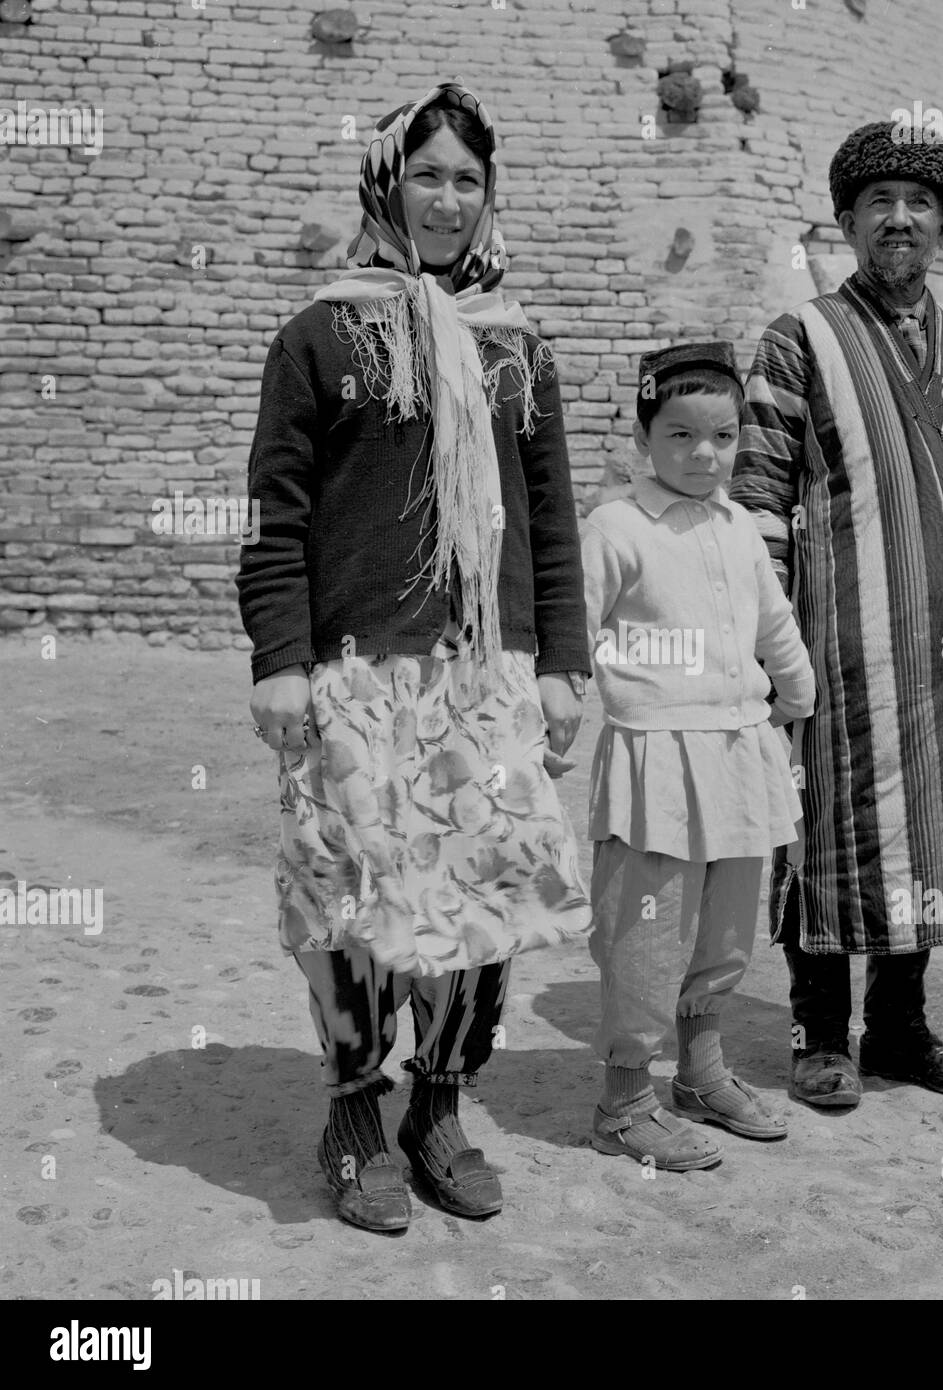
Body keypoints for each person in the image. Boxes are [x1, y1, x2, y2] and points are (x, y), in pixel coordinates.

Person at [237, 80, 592, 1232]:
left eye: (467, 179)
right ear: (386, 181)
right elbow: (278, 512)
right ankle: (353, 1108)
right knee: (351, 896)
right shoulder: (320, 335)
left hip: (483, 677)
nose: (446, 199)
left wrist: (560, 662)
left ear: (490, 196)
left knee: (482, 899)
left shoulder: (515, 347)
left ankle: (438, 1105)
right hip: (352, 675)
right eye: (427, 174)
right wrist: (278, 659)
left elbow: (550, 520)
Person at [729, 121, 943, 1108]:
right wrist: (766, 646)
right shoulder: (800, 338)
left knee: (934, 838)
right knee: (820, 832)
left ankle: (900, 1031)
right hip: (835, 649)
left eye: (917, 205)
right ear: (846, 223)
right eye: (879, 204)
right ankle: (819, 1034)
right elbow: (754, 500)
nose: (898, 220)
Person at [581, 342, 816, 1169]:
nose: (702, 454)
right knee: (647, 934)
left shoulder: (743, 526)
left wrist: (797, 692)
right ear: (643, 436)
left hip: (739, 753)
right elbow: (574, 635)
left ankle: (702, 1073)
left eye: (720, 436)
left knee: (724, 931)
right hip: (655, 762)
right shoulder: (616, 526)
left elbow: (772, 622)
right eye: (679, 435)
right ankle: (623, 1101)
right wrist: (550, 727)